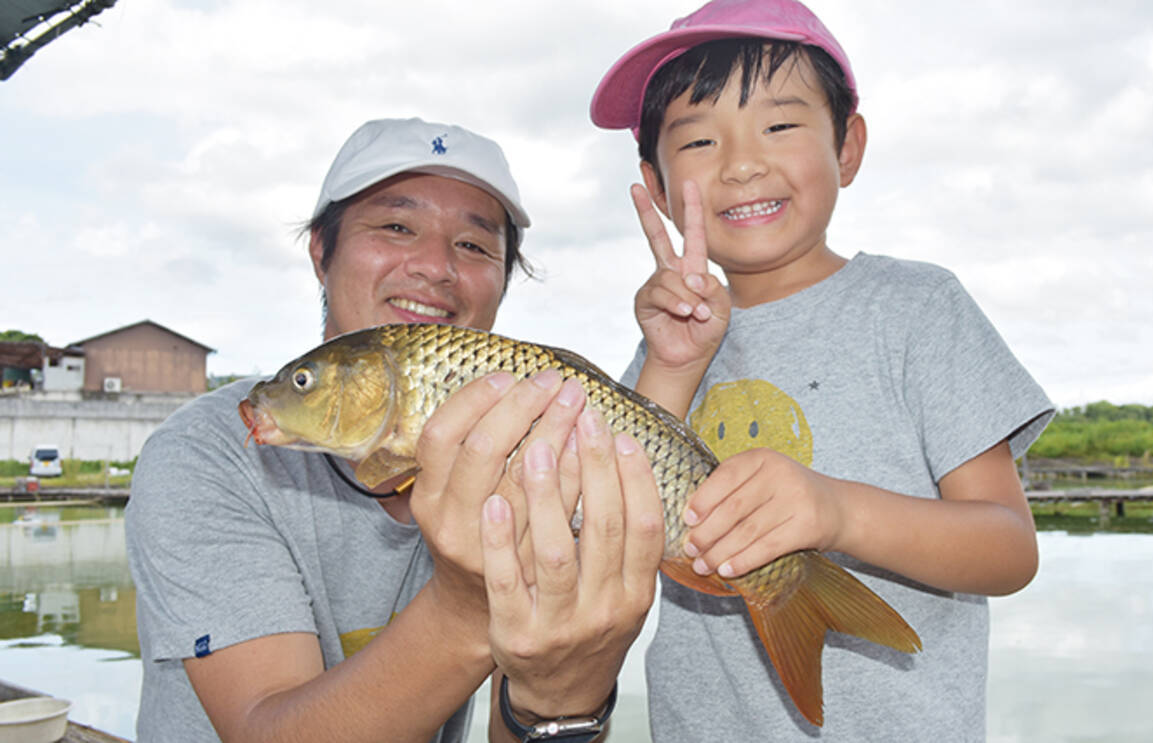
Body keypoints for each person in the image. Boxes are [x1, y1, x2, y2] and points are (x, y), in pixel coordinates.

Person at [590, 0, 1055, 739]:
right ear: (655, 179)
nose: (743, 163)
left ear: (848, 145)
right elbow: (613, 516)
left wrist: (836, 511)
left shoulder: (917, 309)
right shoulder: (666, 341)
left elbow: (1008, 546)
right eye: (701, 139)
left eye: (779, 124)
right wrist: (673, 367)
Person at [126, 117, 664, 743]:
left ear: (502, 281)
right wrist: (467, 607)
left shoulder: (531, 455)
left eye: (473, 245)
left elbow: (524, 726)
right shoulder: (202, 459)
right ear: (321, 251)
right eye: (396, 227)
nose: (436, 266)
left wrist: (561, 699)